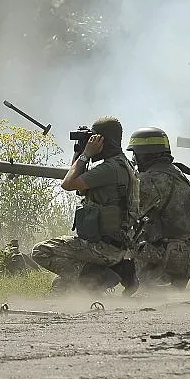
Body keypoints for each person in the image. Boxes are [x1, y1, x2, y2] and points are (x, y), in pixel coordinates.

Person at [31, 117, 140, 294]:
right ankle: (117, 271)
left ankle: (102, 277)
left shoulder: (109, 169)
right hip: (118, 246)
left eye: (93, 138)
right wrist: (81, 153)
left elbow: (68, 184)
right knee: (60, 286)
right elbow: (78, 184)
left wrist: (85, 154)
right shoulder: (123, 164)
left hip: (103, 248)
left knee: (41, 251)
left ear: (102, 140)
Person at [126, 127, 190, 290]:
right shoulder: (177, 172)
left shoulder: (152, 180)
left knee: (117, 238)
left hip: (159, 260)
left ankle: (95, 284)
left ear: (145, 154)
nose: (134, 159)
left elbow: (127, 214)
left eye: (136, 154)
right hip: (182, 259)